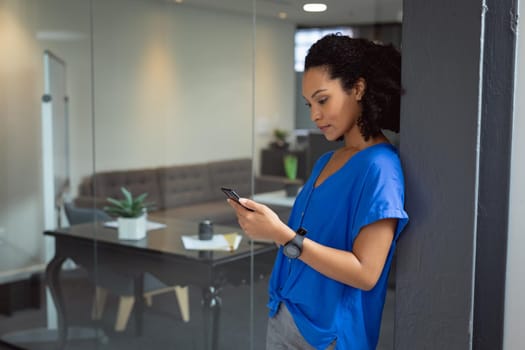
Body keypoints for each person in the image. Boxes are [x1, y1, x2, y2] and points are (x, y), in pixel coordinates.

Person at [227, 33, 409, 350]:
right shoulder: (327, 160)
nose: (314, 115)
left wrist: (282, 234)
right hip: (285, 313)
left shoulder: (380, 167)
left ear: (358, 88)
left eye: (322, 100)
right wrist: (268, 228)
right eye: (309, 104)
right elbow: (308, 239)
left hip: (328, 335)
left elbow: (367, 273)